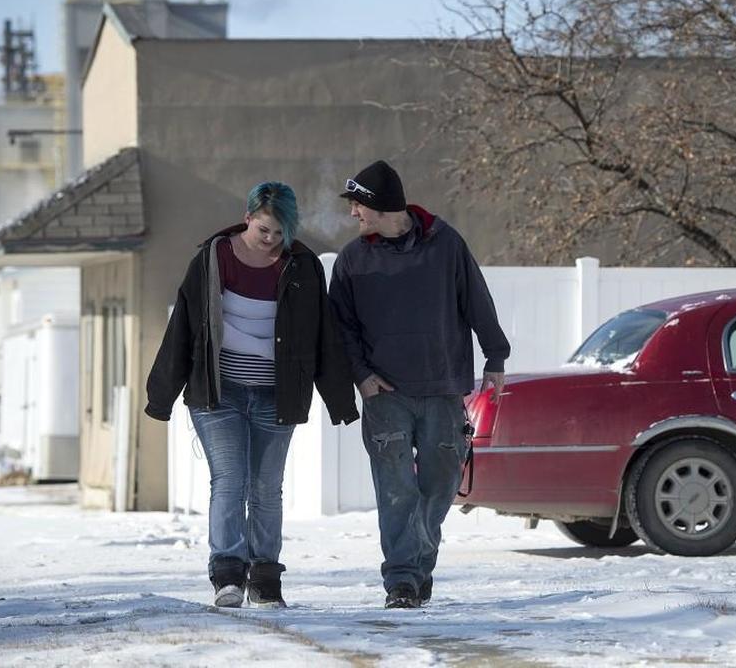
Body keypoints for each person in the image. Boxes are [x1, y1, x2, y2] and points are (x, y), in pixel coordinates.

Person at [145, 181, 358, 609]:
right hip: (219, 393)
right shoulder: (211, 259)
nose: (272, 241)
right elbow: (184, 329)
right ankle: (227, 574)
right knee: (230, 481)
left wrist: (339, 399)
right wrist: (162, 395)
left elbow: (323, 336)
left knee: (265, 488)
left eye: (281, 233)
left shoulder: (302, 266)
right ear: (248, 218)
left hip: (276, 397)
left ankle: (264, 578)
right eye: (264, 230)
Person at [328, 160, 510, 609]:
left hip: (444, 388)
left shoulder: (445, 245)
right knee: (395, 490)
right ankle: (402, 581)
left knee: (441, 485)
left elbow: (476, 299)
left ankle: (417, 562)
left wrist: (496, 356)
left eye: (358, 204)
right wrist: (361, 376)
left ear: (379, 206)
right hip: (385, 394)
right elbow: (340, 328)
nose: (353, 214)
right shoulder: (353, 260)